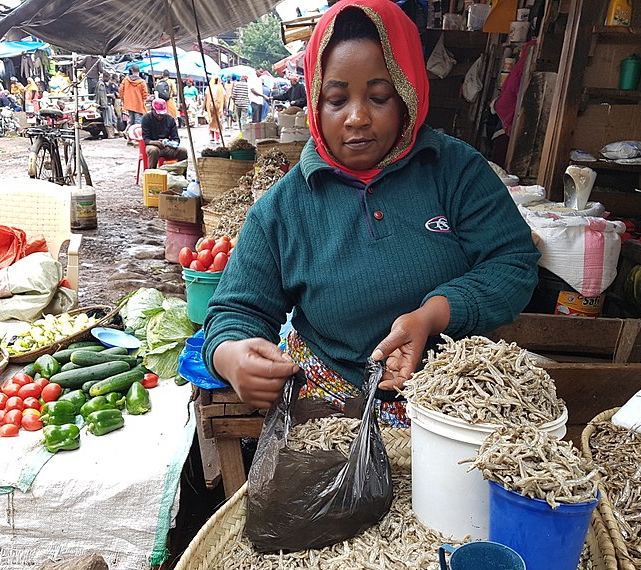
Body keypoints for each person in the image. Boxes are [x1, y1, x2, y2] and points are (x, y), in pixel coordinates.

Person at [201, 0, 540, 427]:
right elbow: (237, 310)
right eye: (337, 99)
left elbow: (513, 262)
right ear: (315, 105)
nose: (357, 118)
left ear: (407, 95)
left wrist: (433, 314)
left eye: (379, 97)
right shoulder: (282, 209)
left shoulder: (454, 169)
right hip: (329, 414)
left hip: (460, 404)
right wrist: (231, 355)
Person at [141, 98, 188, 169]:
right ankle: (152, 174)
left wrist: (170, 143)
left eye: (162, 114)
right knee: (153, 151)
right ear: (152, 110)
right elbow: (146, 139)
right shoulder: (146, 118)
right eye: (157, 114)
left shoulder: (170, 119)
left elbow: (176, 139)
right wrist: (155, 142)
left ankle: (181, 175)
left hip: (167, 147)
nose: (160, 116)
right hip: (153, 145)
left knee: (183, 151)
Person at [204, 75, 226, 143]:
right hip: (219, 107)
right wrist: (224, 107)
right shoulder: (221, 88)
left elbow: (206, 98)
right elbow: (224, 98)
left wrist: (204, 107)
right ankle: (218, 138)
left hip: (210, 106)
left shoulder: (208, 88)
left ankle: (212, 137)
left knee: (211, 121)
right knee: (218, 121)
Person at [95, 72, 117, 138]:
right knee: (107, 120)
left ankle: (112, 133)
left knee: (112, 119)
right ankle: (109, 134)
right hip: (105, 104)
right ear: (105, 77)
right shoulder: (101, 84)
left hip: (108, 103)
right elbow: (102, 96)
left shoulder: (105, 84)